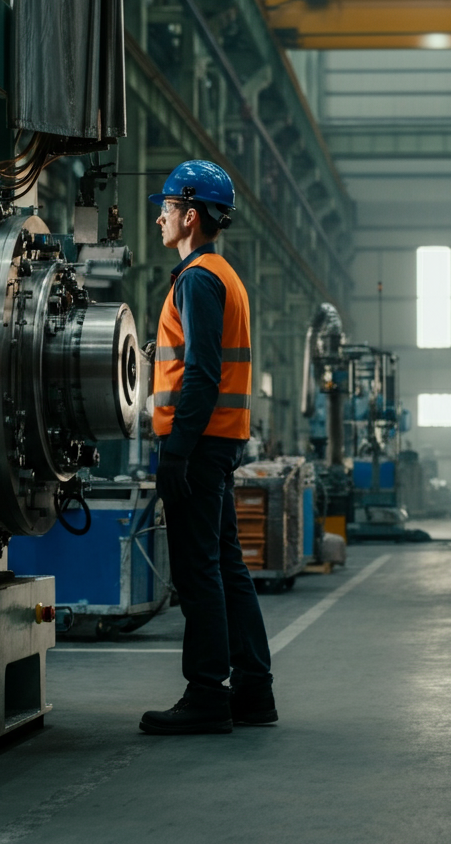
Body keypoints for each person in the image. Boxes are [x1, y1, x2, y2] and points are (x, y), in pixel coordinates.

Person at [139, 160, 275, 736]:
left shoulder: (195, 277)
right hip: (221, 440)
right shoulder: (225, 275)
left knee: (198, 570)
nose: (160, 219)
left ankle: (205, 694)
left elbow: (201, 372)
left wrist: (176, 452)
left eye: (166, 209)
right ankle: (252, 690)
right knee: (226, 565)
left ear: (190, 216)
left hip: (197, 444)